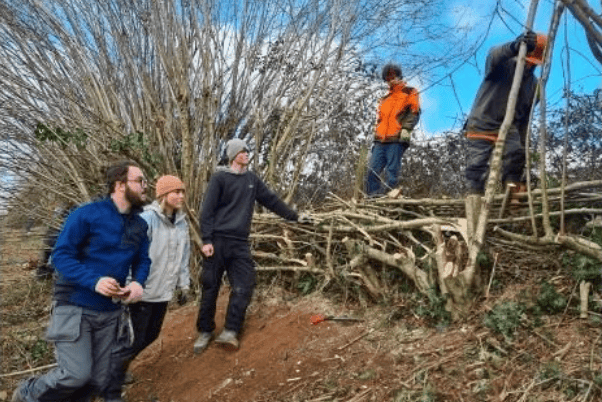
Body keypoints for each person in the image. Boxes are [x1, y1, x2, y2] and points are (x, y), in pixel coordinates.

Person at [12, 161, 151, 402]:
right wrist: (95, 281)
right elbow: (60, 256)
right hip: (75, 307)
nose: (145, 186)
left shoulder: (140, 225)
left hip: (110, 312)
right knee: (75, 374)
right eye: (140, 181)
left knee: (98, 380)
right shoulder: (86, 214)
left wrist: (138, 283)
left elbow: (143, 260)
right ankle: (27, 392)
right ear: (120, 185)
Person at [193, 138, 312, 354]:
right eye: (242, 151)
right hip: (217, 240)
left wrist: (294, 217)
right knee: (210, 286)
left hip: (239, 243)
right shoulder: (219, 178)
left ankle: (230, 330)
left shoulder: (252, 180)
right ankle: (205, 330)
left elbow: (272, 201)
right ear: (232, 156)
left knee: (245, 284)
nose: (247, 154)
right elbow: (207, 211)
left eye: (247, 151)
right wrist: (207, 240)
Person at [103, 175, 191, 401]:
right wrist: (130, 284)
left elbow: (184, 257)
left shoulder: (181, 222)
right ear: (163, 195)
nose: (180, 196)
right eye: (175, 192)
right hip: (142, 291)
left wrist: (184, 285)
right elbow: (131, 253)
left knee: (151, 335)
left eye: (182, 192)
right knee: (134, 340)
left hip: (164, 291)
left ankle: (115, 372)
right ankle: (109, 384)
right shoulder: (147, 219)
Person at [464, 31, 547, 201]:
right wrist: (514, 47)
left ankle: (511, 196)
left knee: (516, 153)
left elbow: (525, 121)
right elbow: (493, 55)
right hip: (483, 121)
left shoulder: (534, 86)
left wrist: (523, 146)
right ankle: (475, 199)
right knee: (477, 166)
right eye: (528, 61)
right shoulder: (502, 65)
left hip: (509, 127)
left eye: (534, 64)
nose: (530, 66)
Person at [365, 63, 421, 197]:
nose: (391, 79)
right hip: (380, 140)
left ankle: (390, 199)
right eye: (388, 77)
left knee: (392, 172)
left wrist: (406, 129)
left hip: (396, 138)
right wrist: (376, 135)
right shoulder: (384, 99)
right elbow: (380, 119)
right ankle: (373, 198)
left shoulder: (410, 91)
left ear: (399, 75)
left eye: (393, 76)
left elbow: (414, 112)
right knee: (371, 172)